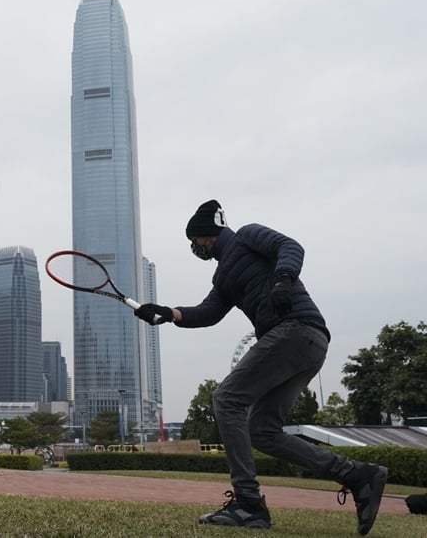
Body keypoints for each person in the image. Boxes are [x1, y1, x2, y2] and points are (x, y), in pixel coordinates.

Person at [134, 199, 387, 535]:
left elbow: (290, 246)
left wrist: (283, 279)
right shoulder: (223, 275)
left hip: (295, 330)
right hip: (305, 345)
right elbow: (208, 312)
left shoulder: (248, 235)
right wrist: (169, 313)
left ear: (206, 235)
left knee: (226, 399)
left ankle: (248, 503)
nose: (194, 248)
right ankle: (356, 474)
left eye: (194, 242)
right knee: (262, 431)